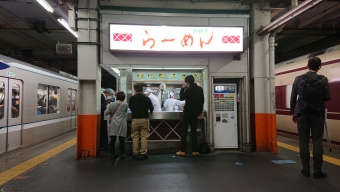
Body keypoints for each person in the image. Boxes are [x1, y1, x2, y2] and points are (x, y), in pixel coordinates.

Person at [290, 57, 331, 179]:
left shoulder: (298, 79)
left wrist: (293, 112)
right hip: (317, 115)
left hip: (302, 114)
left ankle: (306, 169)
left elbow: (293, 98)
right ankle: (317, 171)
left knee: (303, 143)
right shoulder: (323, 79)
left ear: (307, 66)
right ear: (319, 67)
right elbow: (328, 96)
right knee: (317, 142)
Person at [176, 75, 204, 157]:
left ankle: (183, 151)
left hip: (188, 112)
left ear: (187, 83)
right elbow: (202, 101)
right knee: (193, 131)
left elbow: (181, 98)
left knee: (184, 130)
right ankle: (195, 151)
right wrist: (200, 111)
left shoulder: (188, 90)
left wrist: (182, 88)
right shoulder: (200, 89)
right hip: (195, 113)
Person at [129, 84, 154, 160]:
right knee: (144, 136)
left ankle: (135, 153)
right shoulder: (147, 98)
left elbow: (130, 107)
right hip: (144, 119)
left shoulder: (132, 98)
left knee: (135, 136)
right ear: (142, 90)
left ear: (135, 90)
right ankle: (143, 153)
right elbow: (151, 108)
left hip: (135, 119)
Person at [104, 91, 128, 159]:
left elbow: (106, 113)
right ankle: (121, 154)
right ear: (123, 97)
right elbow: (126, 112)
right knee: (122, 139)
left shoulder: (111, 104)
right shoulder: (125, 104)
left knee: (113, 139)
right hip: (122, 123)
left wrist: (107, 107)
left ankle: (112, 154)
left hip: (114, 123)